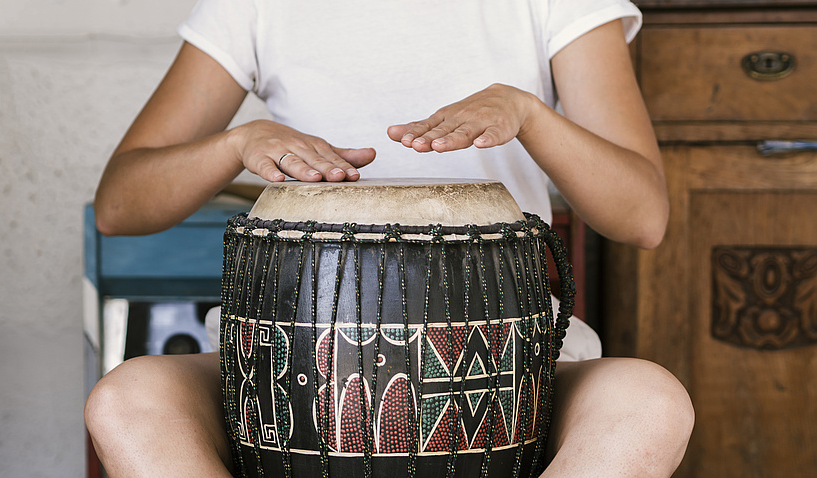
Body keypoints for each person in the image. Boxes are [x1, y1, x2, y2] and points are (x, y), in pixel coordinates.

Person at [85, 0, 695, 476]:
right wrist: (237, 143)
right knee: (129, 400)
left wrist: (529, 114)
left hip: (507, 366)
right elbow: (121, 204)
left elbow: (642, 216)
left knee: (648, 402)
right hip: (284, 367)